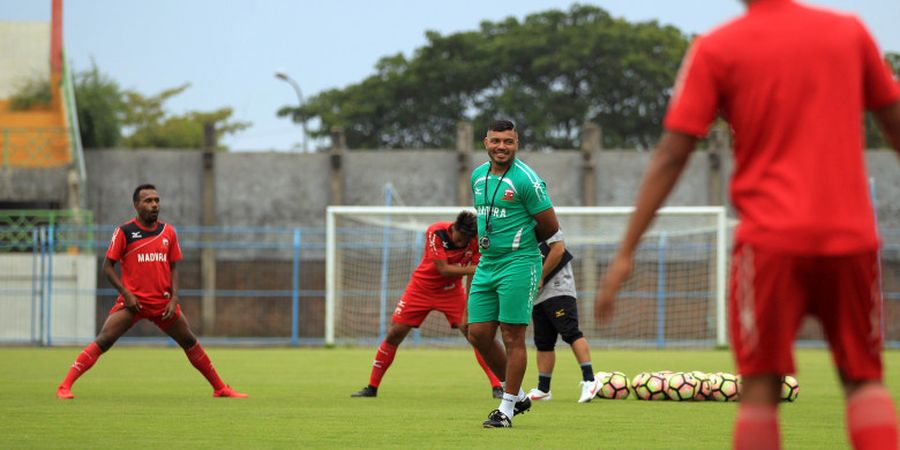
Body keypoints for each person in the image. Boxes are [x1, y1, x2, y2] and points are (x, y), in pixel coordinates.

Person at [594, 1, 900, 449]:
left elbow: (672, 154)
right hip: (850, 237)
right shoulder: (849, 33)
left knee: (760, 388)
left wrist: (625, 252)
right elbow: (893, 121)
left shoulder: (716, 48)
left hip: (770, 242)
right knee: (863, 381)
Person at [56, 184, 247, 399]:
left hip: (162, 304)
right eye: (148, 201)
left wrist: (174, 298)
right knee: (104, 340)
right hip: (133, 303)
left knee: (189, 341)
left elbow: (173, 265)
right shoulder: (125, 232)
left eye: (157, 200)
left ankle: (220, 388)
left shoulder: (168, 232)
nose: (154, 204)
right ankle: (64, 386)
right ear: (136, 205)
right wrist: (126, 293)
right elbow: (107, 267)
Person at [350, 211, 503, 399]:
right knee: (394, 334)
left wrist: (468, 309)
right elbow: (444, 269)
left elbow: (473, 276)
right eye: (460, 238)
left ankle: (497, 386)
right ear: (454, 228)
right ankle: (371, 387)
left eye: (467, 240)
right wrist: (479, 267)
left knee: (475, 335)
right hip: (420, 289)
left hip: (452, 292)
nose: (462, 243)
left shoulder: (476, 240)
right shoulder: (436, 232)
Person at [467, 119, 560, 428]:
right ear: (486, 143)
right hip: (487, 262)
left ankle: (506, 410)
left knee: (512, 335)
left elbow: (550, 226)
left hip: (519, 263)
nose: (501, 147)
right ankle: (518, 395)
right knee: (477, 333)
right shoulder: (478, 177)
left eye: (508, 141)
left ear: (516, 143)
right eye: (496, 141)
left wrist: (519, 245)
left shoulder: (526, 181)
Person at [525, 231, 599, 403]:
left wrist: (541, 276)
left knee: (570, 332)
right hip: (538, 296)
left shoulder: (546, 223)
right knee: (543, 342)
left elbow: (558, 250)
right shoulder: (520, 228)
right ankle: (543, 389)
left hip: (558, 290)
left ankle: (590, 380)